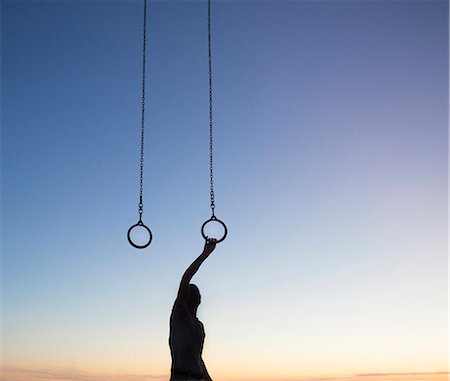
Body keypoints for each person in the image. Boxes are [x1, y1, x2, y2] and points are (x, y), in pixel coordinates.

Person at [169, 239, 217, 381]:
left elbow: (198, 358)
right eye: (190, 291)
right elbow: (186, 278)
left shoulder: (199, 326)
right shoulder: (179, 316)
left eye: (196, 291)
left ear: (200, 299)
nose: (194, 292)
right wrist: (205, 254)